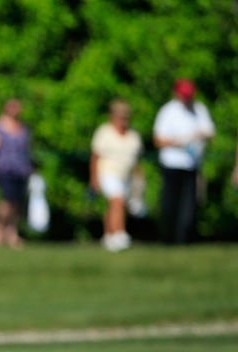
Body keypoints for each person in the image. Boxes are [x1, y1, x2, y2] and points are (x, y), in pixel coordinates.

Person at [153, 78, 215, 244]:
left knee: (189, 205)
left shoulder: (199, 109)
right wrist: (178, 142)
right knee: (170, 203)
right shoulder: (168, 111)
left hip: (191, 164)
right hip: (171, 164)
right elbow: (158, 140)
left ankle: (185, 238)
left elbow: (210, 132)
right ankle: (167, 238)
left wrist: (199, 135)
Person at [90, 99, 143, 252]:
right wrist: (94, 179)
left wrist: (138, 181)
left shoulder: (133, 136)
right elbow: (95, 157)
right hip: (107, 172)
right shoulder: (104, 132)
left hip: (125, 176)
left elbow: (136, 162)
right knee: (117, 201)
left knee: (116, 205)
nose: (123, 119)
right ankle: (119, 234)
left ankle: (108, 235)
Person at [0, 98, 32, 248]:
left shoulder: (23, 127)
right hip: (5, 168)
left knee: (17, 203)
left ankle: (11, 232)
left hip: (21, 169)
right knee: (6, 201)